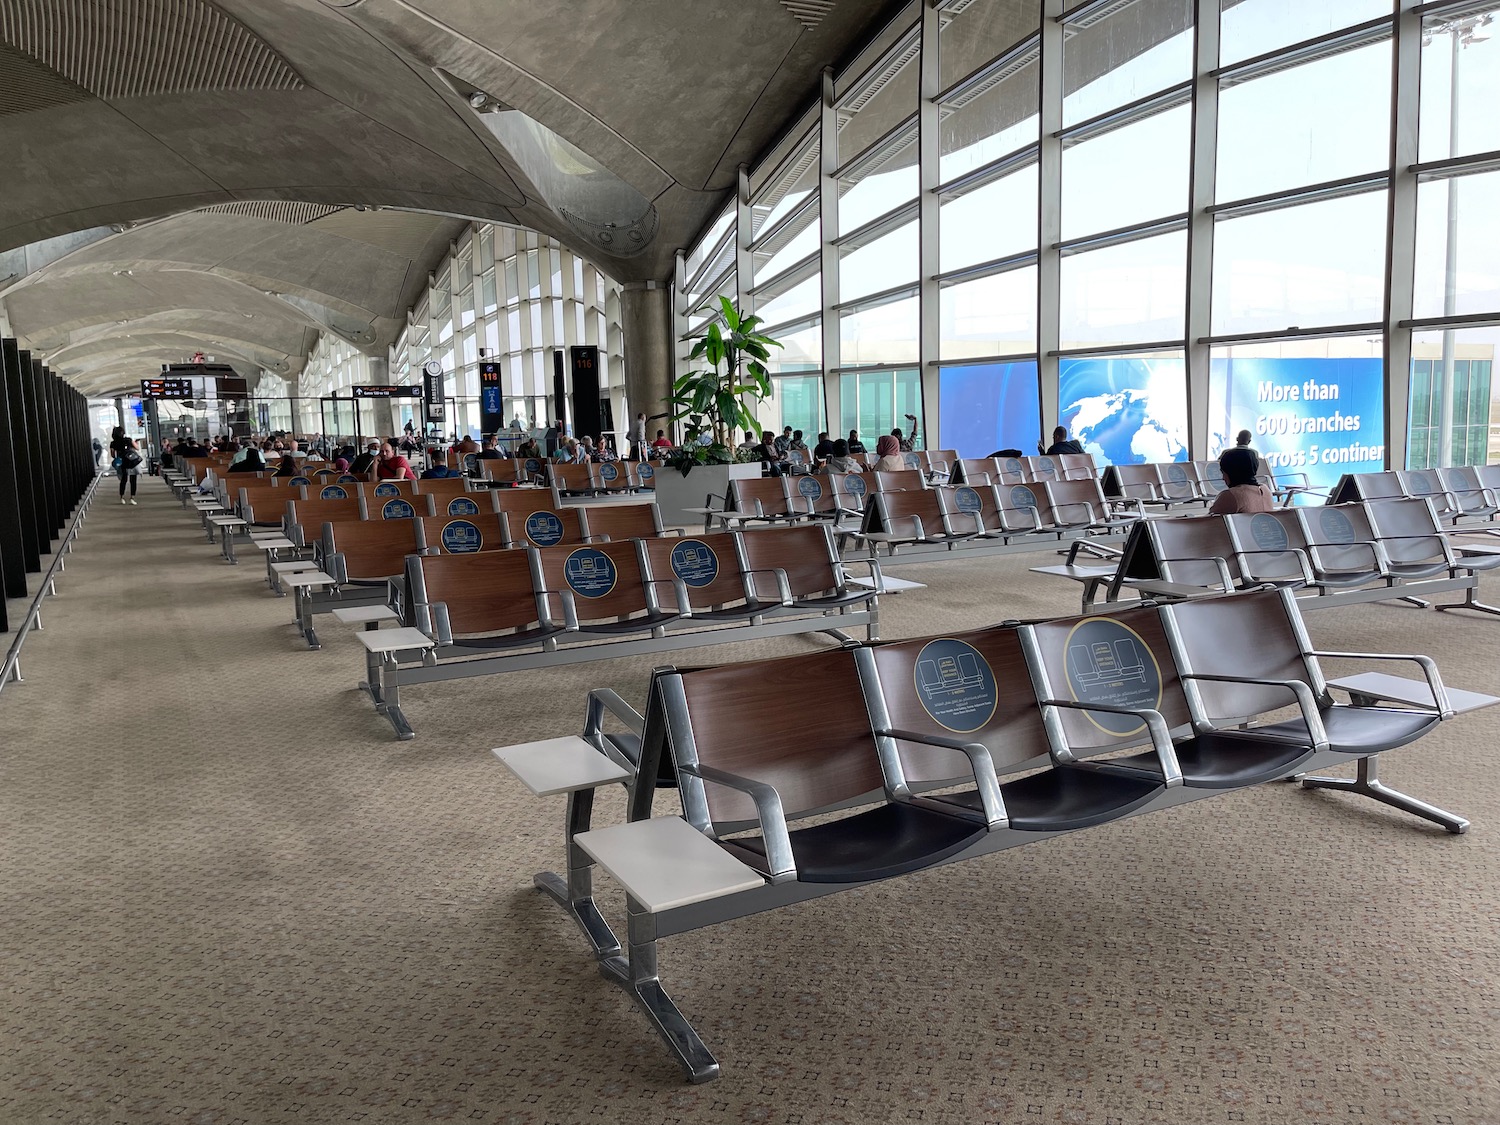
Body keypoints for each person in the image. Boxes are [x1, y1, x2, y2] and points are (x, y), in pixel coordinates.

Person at [1209, 447, 1274, 515]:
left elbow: (1209, 522)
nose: (1223, 478)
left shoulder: (1231, 495)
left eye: (1223, 473)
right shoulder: (1265, 490)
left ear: (1231, 473)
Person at [110, 427, 141, 504]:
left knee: (123, 480)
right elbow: (137, 448)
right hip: (131, 461)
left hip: (122, 462)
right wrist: (135, 443)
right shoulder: (128, 440)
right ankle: (132, 498)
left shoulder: (113, 443)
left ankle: (122, 497)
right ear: (123, 433)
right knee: (133, 480)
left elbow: (113, 455)